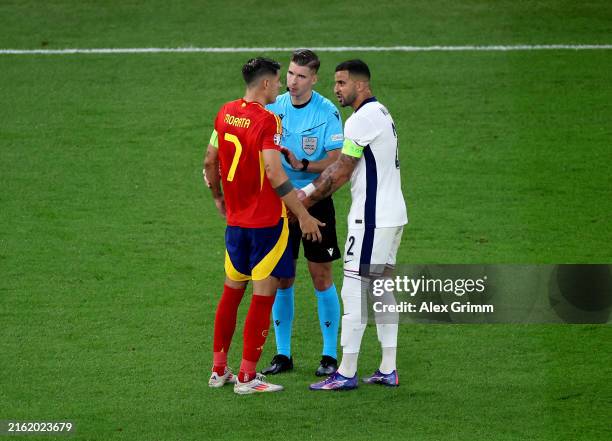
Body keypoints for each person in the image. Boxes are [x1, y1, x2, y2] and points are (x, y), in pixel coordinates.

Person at [203, 57, 324, 395]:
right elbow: (273, 172)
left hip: (236, 223)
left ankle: (218, 370)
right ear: (266, 83)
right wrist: (302, 214)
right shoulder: (267, 120)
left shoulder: (225, 112)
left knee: (230, 292)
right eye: (278, 80)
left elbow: (210, 160)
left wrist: (217, 198)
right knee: (262, 296)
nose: (283, 86)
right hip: (266, 224)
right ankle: (246, 377)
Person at [301, 59, 408, 391]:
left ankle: (345, 372)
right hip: (393, 216)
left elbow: (341, 172)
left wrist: (301, 199)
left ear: (361, 85)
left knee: (354, 291)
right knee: (380, 291)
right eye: (335, 83)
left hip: (371, 221)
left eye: (342, 83)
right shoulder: (382, 113)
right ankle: (388, 367)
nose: (336, 89)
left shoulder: (360, 121)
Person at [261, 49, 344, 376]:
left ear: (314, 79)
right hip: (279, 203)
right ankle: (283, 355)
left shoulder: (326, 112)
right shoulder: (274, 108)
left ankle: (328, 355)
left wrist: (304, 165)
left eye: (301, 77)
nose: (293, 82)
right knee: (282, 278)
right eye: (291, 75)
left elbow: (338, 162)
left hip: (315, 200)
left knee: (321, 276)